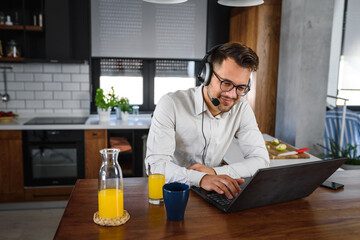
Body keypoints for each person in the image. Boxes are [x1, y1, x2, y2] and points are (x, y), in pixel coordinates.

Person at [145, 42, 269, 199]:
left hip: (215, 191)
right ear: (206, 75)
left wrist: (215, 173)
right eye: (226, 83)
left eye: (241, 88)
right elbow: (156, 166)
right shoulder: (171, 104)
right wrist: (200, 178)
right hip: (173, 192)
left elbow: (261, 160)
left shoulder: (241, 108)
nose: (232, 95)